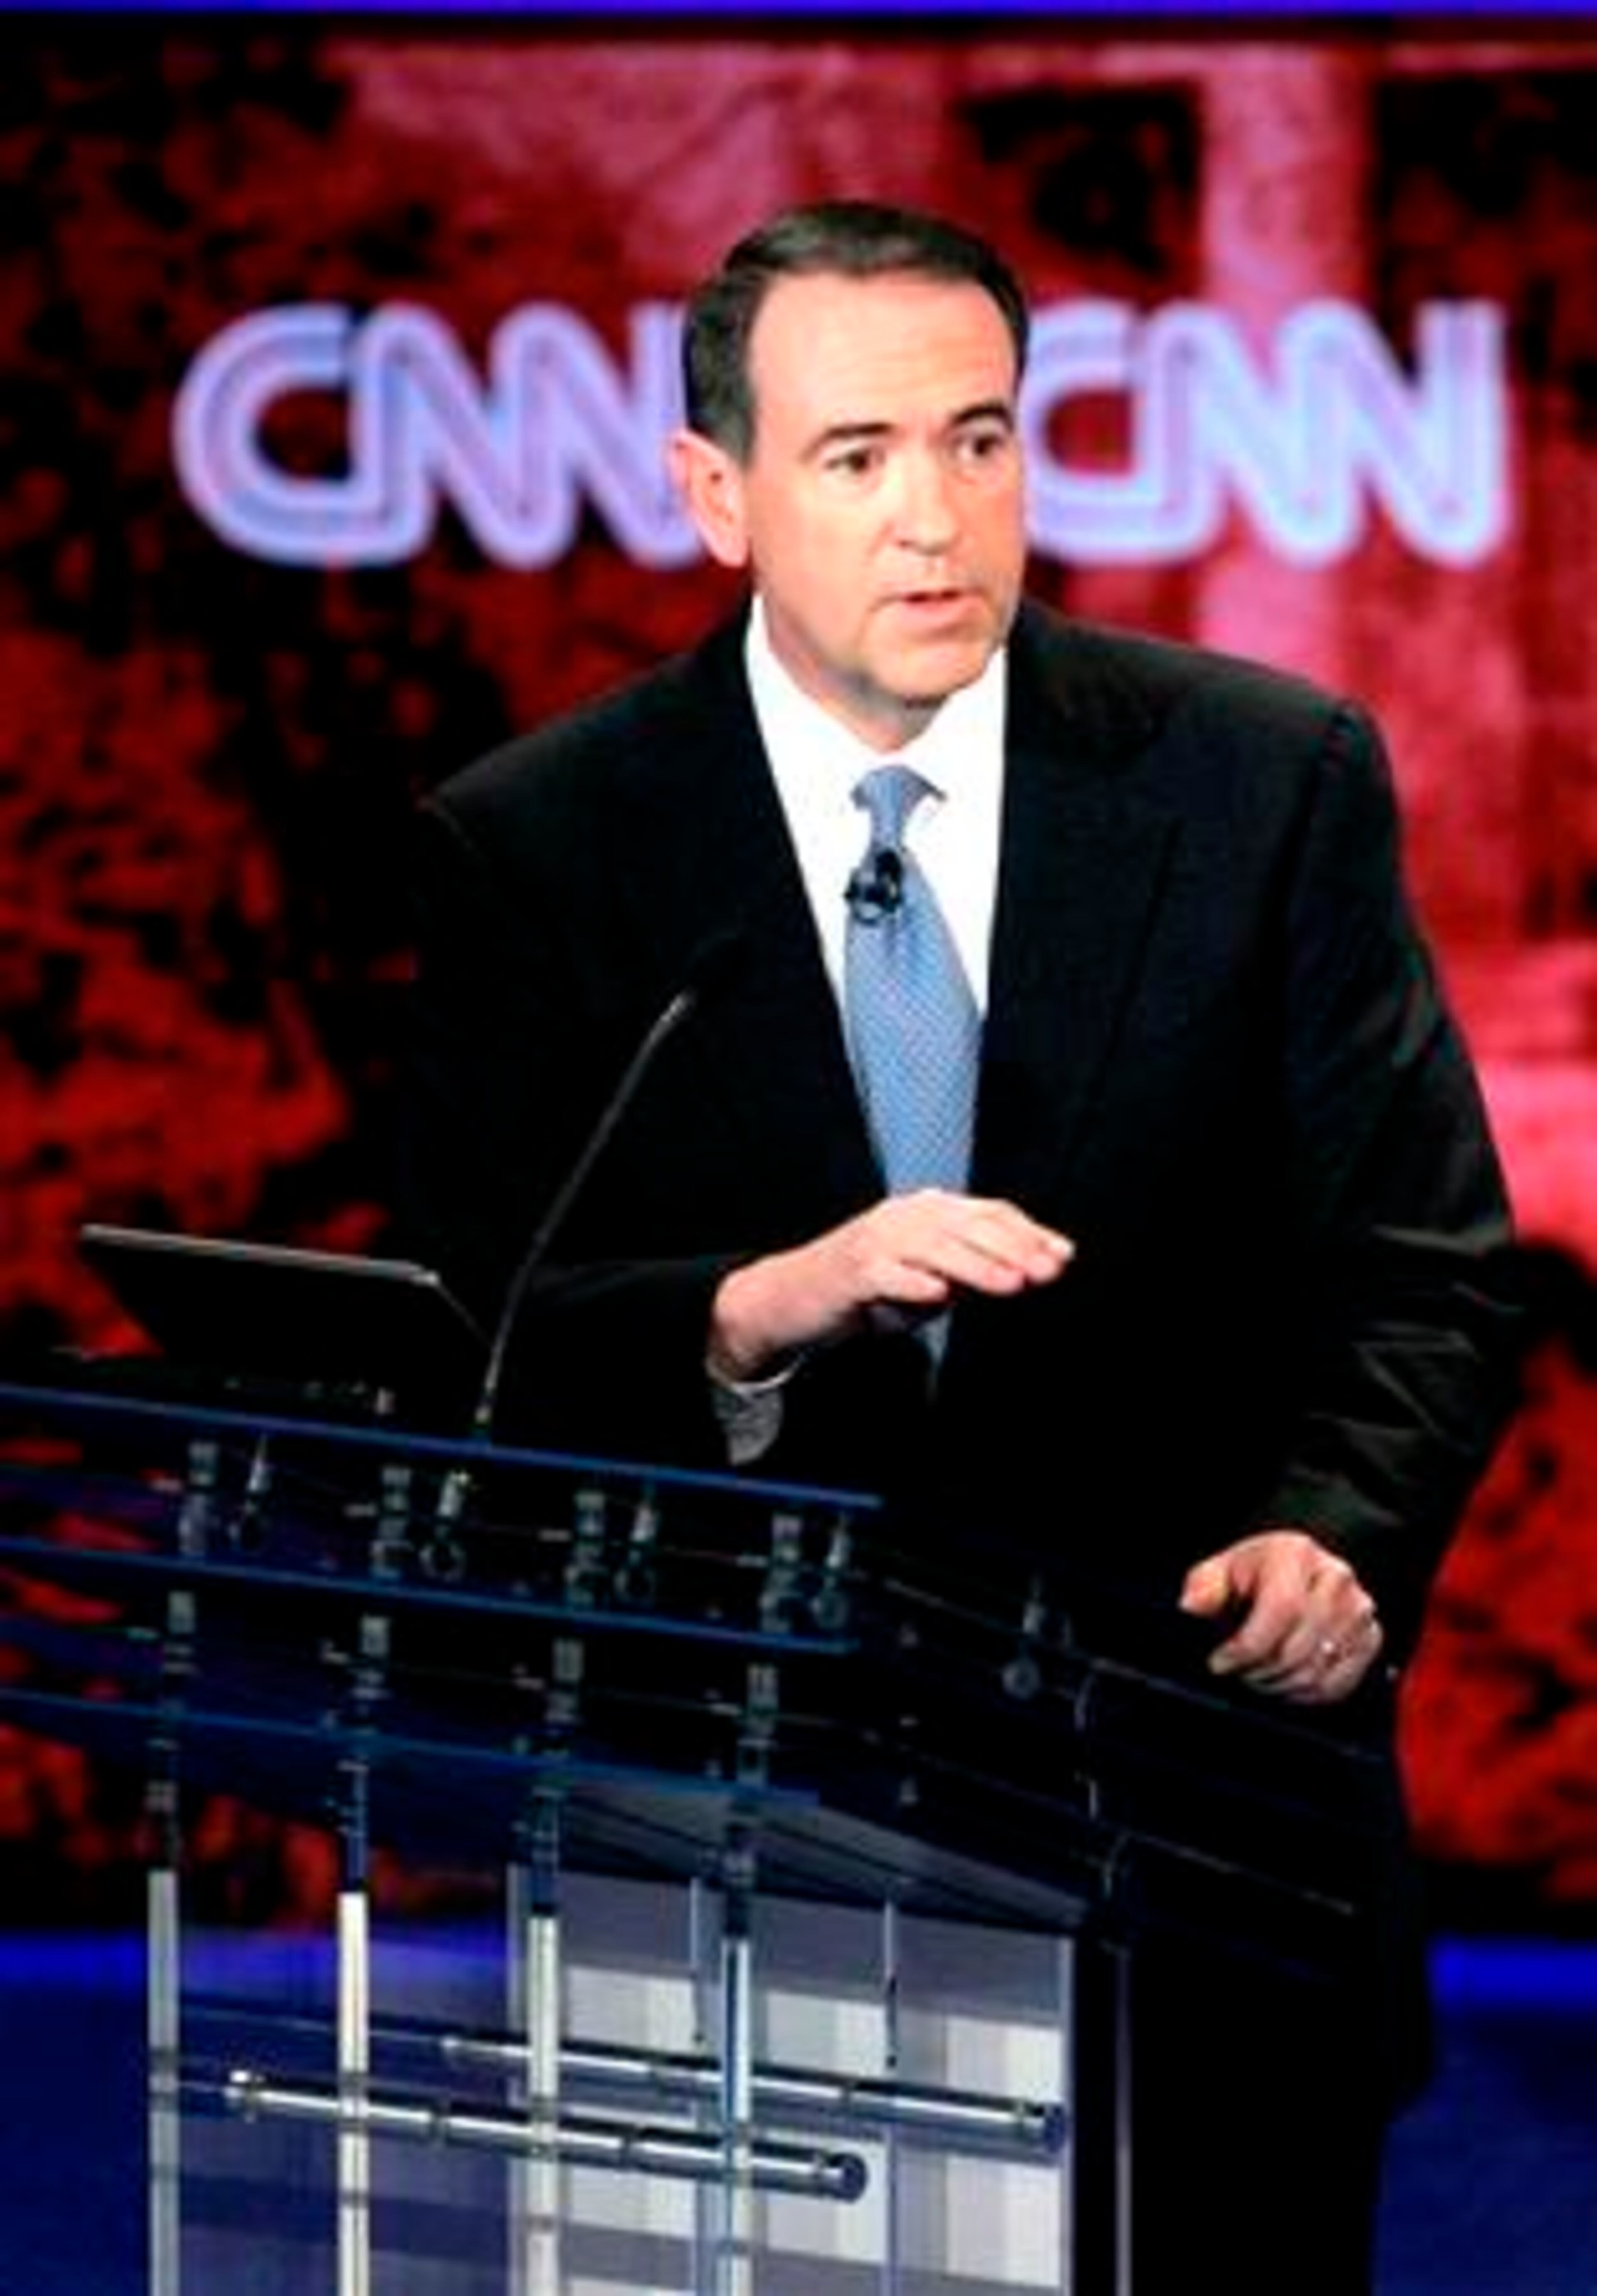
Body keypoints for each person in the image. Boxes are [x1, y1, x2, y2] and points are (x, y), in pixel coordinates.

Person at [401, 200, 1519, 2291]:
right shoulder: (543, 847)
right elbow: (475, 1341)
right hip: (748, 1871)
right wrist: (745, 1315)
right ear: (715, 493)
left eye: (982, 439)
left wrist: (1337, 1534)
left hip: (1194, 1851)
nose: (938, 516)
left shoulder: (1263, 783)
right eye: (858, 456)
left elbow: (1428, 1263)